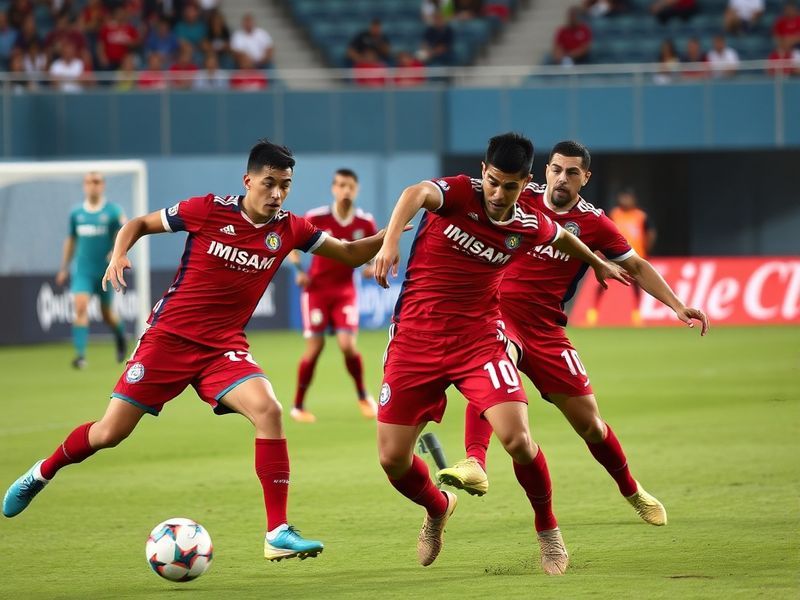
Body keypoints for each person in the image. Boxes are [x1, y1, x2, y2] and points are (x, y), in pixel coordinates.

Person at [3, 140, 392, 563]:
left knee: (269, 410)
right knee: (108, 434)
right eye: (269, 183)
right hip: (168, 339)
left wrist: (392, 231)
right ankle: (42, 472)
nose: (277, 194)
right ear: (248, 181)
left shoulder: (291, 229)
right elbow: (137, 224)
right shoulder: (207, 209)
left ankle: (276, 531)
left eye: (285, 185)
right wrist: (118, 255)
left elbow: (351, 253)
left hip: (223, 346)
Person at [372, 132, 630, 575]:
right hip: (415, 341)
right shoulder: (456, 192)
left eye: (509, 186)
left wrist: (597, 261)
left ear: (524, 182)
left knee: (518, 440)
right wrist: (390, 241)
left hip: (479, 341)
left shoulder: (526, 223)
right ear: (482, 172)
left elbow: (562, 239)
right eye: (492, 181)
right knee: (392, 459)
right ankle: (438, 508)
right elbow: (414, 192)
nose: (497, 193)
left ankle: (548, 532)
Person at [437, 141, 709, 531]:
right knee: (498, 364)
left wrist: (677, 305)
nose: (562, 178)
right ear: (544, 170)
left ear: (586, 177)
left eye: (572, 172)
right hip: (497, 316)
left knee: (592, 426)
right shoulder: (517, 196)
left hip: (547, 330)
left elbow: (634, 263)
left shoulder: (594, 223)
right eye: (557, 169)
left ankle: (632, 490)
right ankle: (475, 461)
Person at [288, 169, 379, 423]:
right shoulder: (316, 217)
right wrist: (298, 270)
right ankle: (298, 406)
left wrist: (371, 267)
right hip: (316, 291)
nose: (345, 190)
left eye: (350, 186)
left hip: (345, 291)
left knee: (347, 346)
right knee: (315, 348)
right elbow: (291, 244)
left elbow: (372, 253)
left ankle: (363, 396)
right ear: (333, 189)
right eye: (341, 185)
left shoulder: (365, 223)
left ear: (356, 190)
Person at [55, 172, 127, 368]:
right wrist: (63, 267)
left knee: (106, 314)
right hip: (83, 270)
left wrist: (116, 252)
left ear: (102, 185)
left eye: (96, 182)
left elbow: (125, 234)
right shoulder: (76, 213)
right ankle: (80, 356)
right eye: (88, 182)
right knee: (80, 306)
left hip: (104, 271)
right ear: (84, 186)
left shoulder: (113, 212)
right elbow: (70, 240)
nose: (92, 186)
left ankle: (120, 335)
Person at [587, 186, 655, 326]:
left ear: (633, 199)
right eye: (623, 197)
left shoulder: (640, 216)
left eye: (628, 197)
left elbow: (650, 233)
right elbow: (604, 232)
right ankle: (593, 314)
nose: (625, 200)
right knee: (602, 282)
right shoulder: (614, 214)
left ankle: (637, 316)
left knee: (637, 286)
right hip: (615, 256)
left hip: (636, 256)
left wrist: (646, 249)